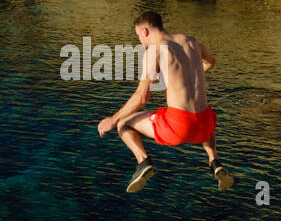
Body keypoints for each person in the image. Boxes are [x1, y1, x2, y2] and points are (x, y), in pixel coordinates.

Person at [97, 10, 233, 193]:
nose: (140, 41)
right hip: (206, 126)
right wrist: (186, 77)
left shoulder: (154, 51)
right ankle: (214, 161)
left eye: (138, 36)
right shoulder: (191, 41)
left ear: (144, 31)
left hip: (178, 126)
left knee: (124, 124)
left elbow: (141, 97)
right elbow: (210, 62)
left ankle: (143, 162)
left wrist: (112, 120)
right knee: (203, 112)